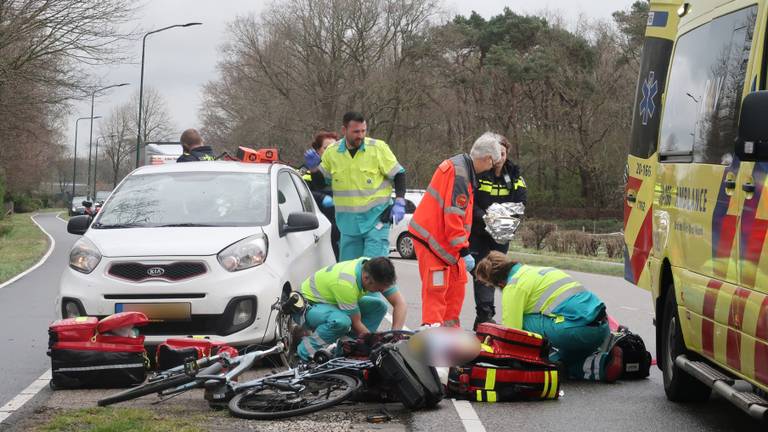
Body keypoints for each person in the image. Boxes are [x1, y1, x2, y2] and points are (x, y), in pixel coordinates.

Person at [475, 251, 623, 382]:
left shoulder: (514, 286)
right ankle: (603, 365)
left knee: (522, 322)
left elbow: (511, 335)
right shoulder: (540, 271)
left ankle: (542, 362)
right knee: (559, 362)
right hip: (602, 328)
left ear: (499, 283)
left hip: (575, 332)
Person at [409, 132, 503, 328]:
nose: (490, 168)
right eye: (492, 163)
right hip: (433, 240)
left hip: (445, 243)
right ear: (486, 158)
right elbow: (453, 217)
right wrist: (463, 250)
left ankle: (450, 332)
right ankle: (433, 333)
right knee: (437, 288)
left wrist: (461, 250)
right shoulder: (460, 174)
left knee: (457, 284)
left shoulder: (463, 170)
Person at [304, 112, 406, 260]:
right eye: (356, 131)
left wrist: (400, 201)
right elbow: (321, 184)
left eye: (363, 131)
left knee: (374, 271)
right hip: (348, 226)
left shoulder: (378, 148)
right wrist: (314, 169)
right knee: (349, 274)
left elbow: (399, 174)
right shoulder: (332, 153)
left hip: (376, 221)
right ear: (344, 130)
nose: (361, 135)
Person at [297, 256, 407, 361]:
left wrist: (394, 335)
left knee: (379, 307)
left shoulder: (373, 267)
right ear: (367, 279)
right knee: (342, 322)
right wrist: (376, 346)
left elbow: (400, 304)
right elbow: (356, 323)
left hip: (332, 302)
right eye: (379, 289)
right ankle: (304, 352)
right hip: (308, 308)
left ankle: (348, 349)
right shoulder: (346, 283)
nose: (381, 291)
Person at [469, 135, 527, 329]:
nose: (499, 156)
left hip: (500, 235)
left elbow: (520, 203)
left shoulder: (515, 176)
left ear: (507, 153)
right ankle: (485, 315)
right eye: (496, 152)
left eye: (502, 152)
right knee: (481, 272)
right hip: (479, 233)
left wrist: (503, 222)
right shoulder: (479, 173)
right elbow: (472, 202)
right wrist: (486, 219)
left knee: (495, 272)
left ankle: (485, 317)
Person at [301, 131, 341, 261]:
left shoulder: (343, 169)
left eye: (334, 148)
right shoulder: (306, 170)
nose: (330, 151)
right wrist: (320, 197)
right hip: (317, 229)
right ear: (317, 150)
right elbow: (300, 194)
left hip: (341, 228)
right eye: (326, 148)